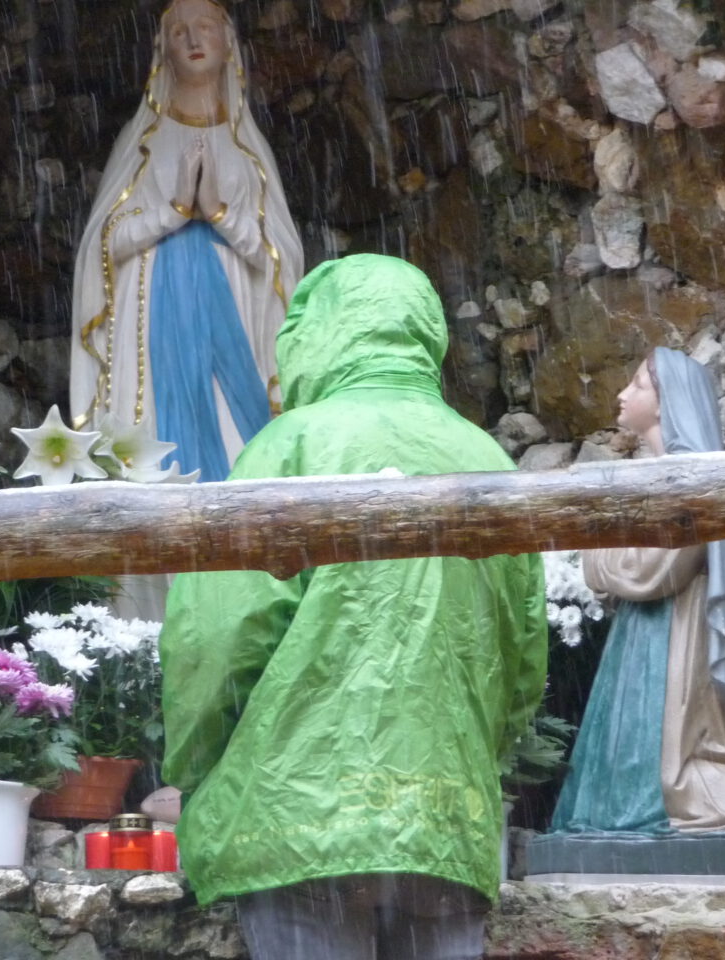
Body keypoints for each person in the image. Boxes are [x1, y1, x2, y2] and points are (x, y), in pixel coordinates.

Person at [159, 254, 548, 960]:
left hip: (297, 812)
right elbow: (521, 655)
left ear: (319, 335)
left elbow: (217, 639)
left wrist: (191, 766)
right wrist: (474, 760)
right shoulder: (485, 456)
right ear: (423, 334)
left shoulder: (288, 448)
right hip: (443, 817)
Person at [550, 347, 725, 835]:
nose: (621, 394)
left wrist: (594, 552)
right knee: (638, 747)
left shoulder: (689, 472)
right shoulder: (665, 472)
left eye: (636, 384)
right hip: (648, 628)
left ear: (665, 400)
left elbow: (654, 570)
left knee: (667, 761)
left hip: (673, 627)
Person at [69, 0, 303, 483]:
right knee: (162, 444)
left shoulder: (247, 150)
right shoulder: (142, 143)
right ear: (163, 51)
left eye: (206, 28)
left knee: (243, 453)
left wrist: (220, 213)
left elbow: (281, 260)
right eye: (179, 33)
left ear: (229, 42)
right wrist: (170, 211)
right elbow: (101, 248)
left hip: (236, 317)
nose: (194, 42)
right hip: (153, 317)